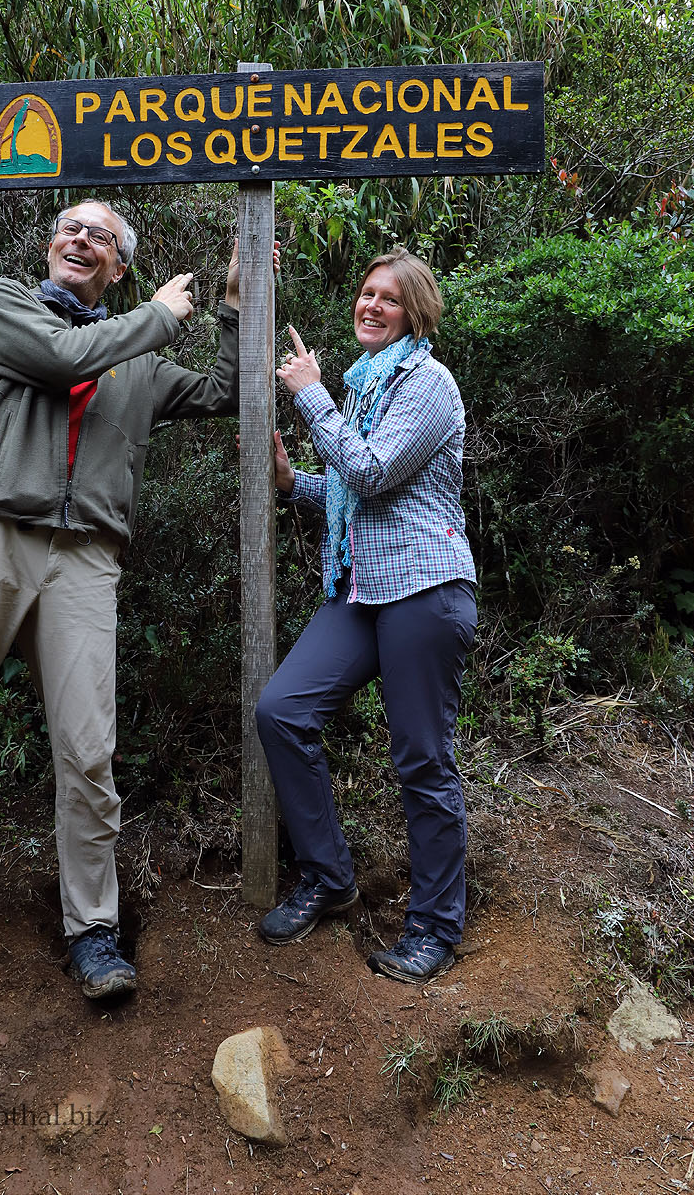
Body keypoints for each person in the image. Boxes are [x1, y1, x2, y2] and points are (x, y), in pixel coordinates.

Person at [0, 198, 278, 1037]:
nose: (81, 241)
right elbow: (59, 356)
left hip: (84, 558)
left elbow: (230, 391)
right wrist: (159, 315)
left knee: (88, 754)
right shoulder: (4, 303)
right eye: (70, 231)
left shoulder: (137, 363)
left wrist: (229, 303)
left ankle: (94, 932)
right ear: (51, 249)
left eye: (102, 238)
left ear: (118, 266)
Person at [255, 245, 477, 983]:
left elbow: (375, 472)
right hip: (361, 589)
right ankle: (328, 877)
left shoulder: (428, 383)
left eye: (389, 298)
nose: (370, 306)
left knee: (421, 759)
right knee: (282, 710)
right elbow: (355, 490)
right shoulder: (367, 385)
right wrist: (295, 486)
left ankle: (435, 929)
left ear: (415, 313)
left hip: (423, 588)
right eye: (365, 294)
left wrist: (310, 396)